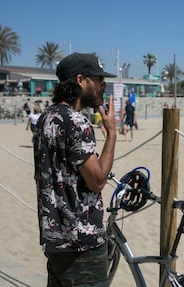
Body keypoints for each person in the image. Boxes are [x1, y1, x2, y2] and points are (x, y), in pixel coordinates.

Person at [33, 53, 116, 286]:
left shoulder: (45, 118)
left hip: (54, 239)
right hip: (82, 244)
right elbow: (97, 181)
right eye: (99, 79)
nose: (103, 85)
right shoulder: (77, 122)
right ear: (81, 80)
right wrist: (112, 133)